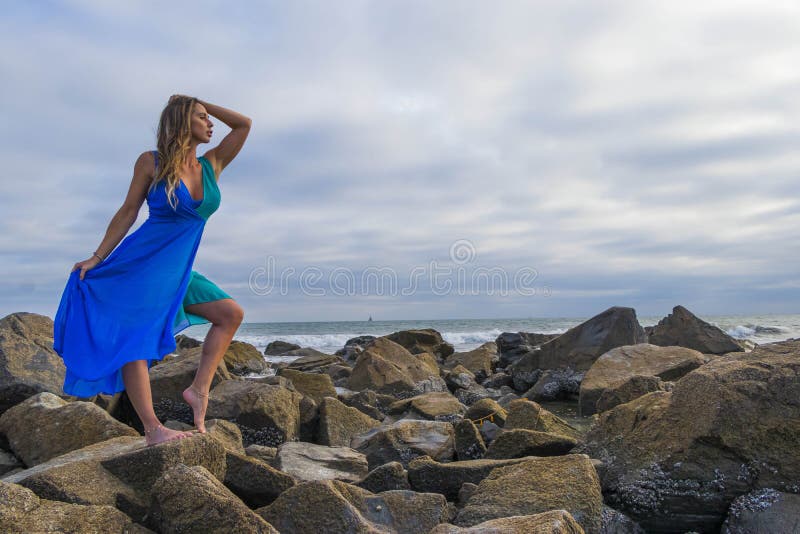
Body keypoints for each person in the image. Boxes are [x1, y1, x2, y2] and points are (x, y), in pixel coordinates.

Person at [52, 95, 252, 445]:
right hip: (142, 266)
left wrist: (200, 100)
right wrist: (97, 258)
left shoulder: (212, 164)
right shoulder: (151, 162)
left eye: (209, 118)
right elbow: (129, 211)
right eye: (202, 117)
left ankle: (199, 390)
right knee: (136, 340)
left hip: (177, 272)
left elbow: (243, 124)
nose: (210, 124)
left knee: (229, 313)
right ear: (180, 122)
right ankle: (153, 428)